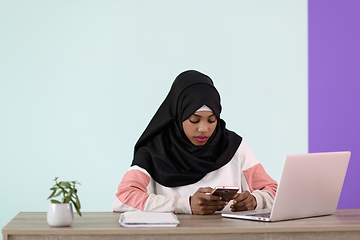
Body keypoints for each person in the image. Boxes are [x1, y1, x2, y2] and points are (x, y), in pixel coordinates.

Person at [113, 70, 277, 215]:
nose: (203, 129)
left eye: (211, 120)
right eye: (194, 120)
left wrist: (256, 201)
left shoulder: (233, 146)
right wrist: (185, 204)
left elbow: (276, 191)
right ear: (178, 115)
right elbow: (123, 198)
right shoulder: (154, 151)